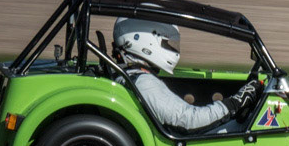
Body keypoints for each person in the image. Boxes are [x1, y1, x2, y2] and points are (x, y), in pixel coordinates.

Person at [111, 17, 260, 134]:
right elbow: (189, 121)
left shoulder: (134, 77)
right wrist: (234, 103)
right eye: (166, 43)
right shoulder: (143, 83)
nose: (171, 48)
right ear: (144, 40)